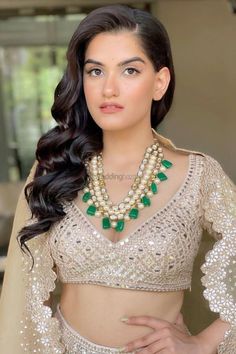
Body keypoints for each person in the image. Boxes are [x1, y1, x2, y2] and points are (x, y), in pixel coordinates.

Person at [0, 4, 235, 354]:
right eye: (95, 71)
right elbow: (22, 294)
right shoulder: (55, 170)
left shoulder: (199, 175)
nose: (108, 88)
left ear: (159, 83)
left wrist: (204, 342)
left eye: (129, 70)